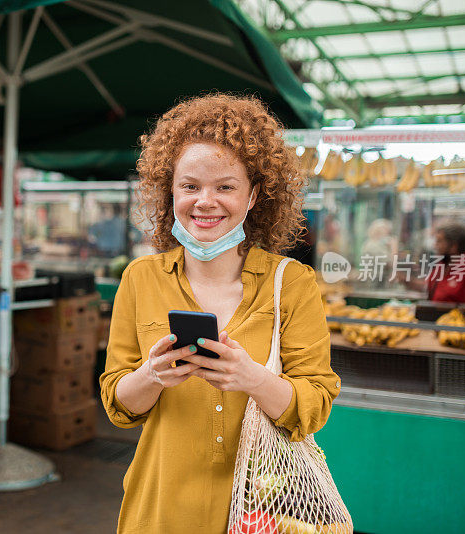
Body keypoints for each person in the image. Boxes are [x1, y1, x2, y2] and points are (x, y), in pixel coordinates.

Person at [99, 94, 341, 533]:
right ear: (170, 191)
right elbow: (117, 403)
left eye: (225, 187)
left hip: (263, 514)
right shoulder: (140, 278)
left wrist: (253, 379)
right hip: (159, 510)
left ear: (253, 197)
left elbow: (315, 406)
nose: (204, 201)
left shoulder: (293, 284)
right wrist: (152, 375)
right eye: (189, 186)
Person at [427, 221, 465, 304]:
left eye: (439, 241)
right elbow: (429, 289)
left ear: (454, 246)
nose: (435, 246)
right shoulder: (443, 264)